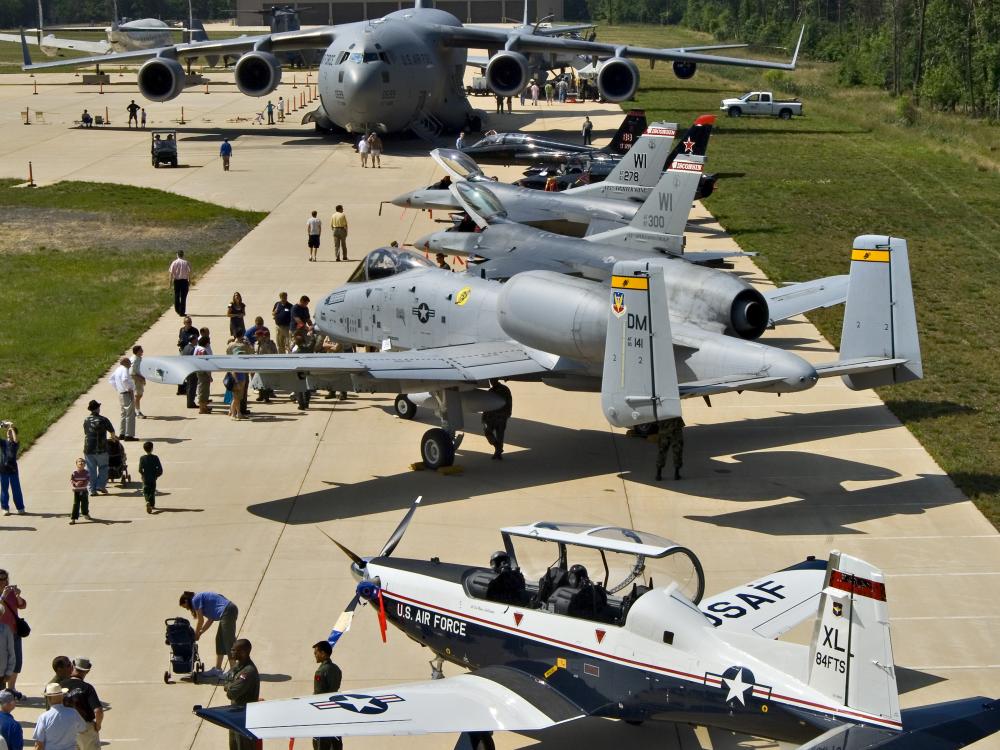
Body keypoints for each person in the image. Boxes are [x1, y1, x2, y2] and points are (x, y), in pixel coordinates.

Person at [179, 591, 238, 677]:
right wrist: (200, 632)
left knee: (228, 641)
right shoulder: (201, 600)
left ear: (186, 601)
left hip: (228, 611)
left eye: (185, 607)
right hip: (227, 612)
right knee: (219, 640)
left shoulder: (195, 599)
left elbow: (200, 620)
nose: (187, 609)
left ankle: (234, 670)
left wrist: (196, 634)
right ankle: (217, 669)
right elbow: (210, 619)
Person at [57, 657, 103, 750]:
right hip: (85, 728)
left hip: (66, 729)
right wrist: (97, 726)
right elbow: (98, 711)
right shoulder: (87, 688)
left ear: (73, 667)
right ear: (87, 671)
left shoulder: (60, 686)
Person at [223, 640, 259, 750]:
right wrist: (230, 685)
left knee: (244, 746)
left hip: (245, 718)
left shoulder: (248, 671)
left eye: (234, 650)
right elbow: (226, 680)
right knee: (234, 746)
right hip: (235, 716)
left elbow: (231, 693)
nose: (231, 652)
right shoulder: (238, 666)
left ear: (243, 652)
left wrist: (229, 686)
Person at [33, 682, 84, 750]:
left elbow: (39, 744)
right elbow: (83, 728)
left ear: (49, 698)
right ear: (62, 696)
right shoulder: (73, 713)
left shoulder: (44, 717)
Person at [311, 641, 342, 750]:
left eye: (316, 652)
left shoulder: (320, 672)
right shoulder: (337, 669)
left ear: (323, 653)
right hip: (335, 711)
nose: (315, 655)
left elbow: (319, 696)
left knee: (321, 744)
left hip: (323, 714)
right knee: (336, 742)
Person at [83, 401, 117, 495]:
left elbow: (86, 432)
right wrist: (113, 439)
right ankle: (100, 485)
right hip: (101, 448)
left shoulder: (86, 420)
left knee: (91, 469)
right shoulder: (103, 419)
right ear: (98, 408)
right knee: (103, 467)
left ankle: (92, 490)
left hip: (88, 448)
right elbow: (112, 432)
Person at [0, 573, 25, 699]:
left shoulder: (10, 592)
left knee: (17, 660)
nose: (3, 582)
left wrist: (17, 596)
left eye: (5, 579)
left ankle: (11, 688)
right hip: (2, 634)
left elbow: (22, 605)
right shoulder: (4, 594)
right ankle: (2, 690)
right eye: (1, 579)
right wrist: (2, 596)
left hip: (14, 631)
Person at [481, 379, 512, 460]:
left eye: (492, 380)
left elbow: (509, 401)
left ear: (496, 380)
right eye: (491, 381)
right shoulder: (494, 390)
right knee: (493, 434)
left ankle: (497, 451)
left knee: (496, 435)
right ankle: (497, 448)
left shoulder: (502, 390)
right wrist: (484, 416)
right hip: (496, 417)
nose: (491, 382)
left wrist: (508, 413)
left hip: (498, 417)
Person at [108, 357, 137, 441]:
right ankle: (129, 435)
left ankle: (122, 433)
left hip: (121, 394)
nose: (130, 365)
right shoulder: (125, 369)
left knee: (123, 414)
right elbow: (124, 380)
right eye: (129, 363)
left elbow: (111, 379)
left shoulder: (118, 369)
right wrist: (129, 389)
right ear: (125, 363)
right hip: (127, 394)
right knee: (130, 414)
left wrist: (118, 388)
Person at [0, 426, 23, 516]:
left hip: (13, 469)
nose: (9, 433)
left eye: (11, 432)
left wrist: (12, 427)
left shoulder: (15, 443)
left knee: (16, 489)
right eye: (8, 432)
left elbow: (15, 439)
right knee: (4, 489)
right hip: (3, 469)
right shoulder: (3, 442)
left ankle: (20, 508)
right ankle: (5, 508)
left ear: (14, 434)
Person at [655, 416, 685, 481]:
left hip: (664, 426)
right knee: (677, 450)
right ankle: (676, 473)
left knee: (662, 450)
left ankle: (658, 474)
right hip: (675, 426)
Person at [138, 442, 162, 514]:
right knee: (152, 491)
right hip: (153, 477)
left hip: (145, 477)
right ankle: (152, 504)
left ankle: (147, 501)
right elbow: (160, 469)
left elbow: (140, 469)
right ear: (152, 449)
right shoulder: (155, 457)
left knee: (145, 491)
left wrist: (142, 475)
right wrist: (157, 475)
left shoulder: (142, 458)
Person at [168, 250, 192, 316]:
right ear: (183, 255)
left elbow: (171, 273)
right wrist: (190, 280)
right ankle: (182, 312)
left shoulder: (174, 262)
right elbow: (189, 272)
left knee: (177, 296)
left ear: (177, 255)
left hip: (177, 281)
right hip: (184, 281)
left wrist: (170, 282)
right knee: (183, 297)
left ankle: (177, 309)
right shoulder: (186, 262)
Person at [69, 458, 91, 524]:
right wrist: (75, 483)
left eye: (82, 462)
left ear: (85, 464)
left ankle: (85, 513)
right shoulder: (74, 473)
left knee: (85, 503)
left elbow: (88, 480)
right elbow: (71, 480)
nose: (81, 463)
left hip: (84, 491)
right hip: (76, 491)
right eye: (79, 461)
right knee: (76, 504)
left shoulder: (87, 472)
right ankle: (73, 518)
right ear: (76, 464)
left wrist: (84, 484)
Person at [130, 346, 146, 418]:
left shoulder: (138, 358)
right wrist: (140, 378)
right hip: (136, 379)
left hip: (139, 379)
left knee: (139, 395)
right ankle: (137, 412)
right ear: (137, 351)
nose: (142, 351)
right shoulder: (135, 359)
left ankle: (135, 411)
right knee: (137, 395)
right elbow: (132, 372)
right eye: (141, 350)